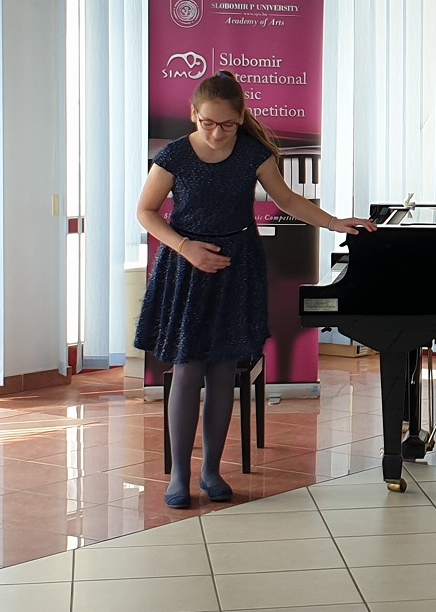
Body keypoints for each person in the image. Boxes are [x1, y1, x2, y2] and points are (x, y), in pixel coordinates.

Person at [134, 70, 376, 509]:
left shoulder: (252, 153)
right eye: (208, 123)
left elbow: (287, 200)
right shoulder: (174, 155)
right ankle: (179, 477)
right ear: (193, 114)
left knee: (223, 370)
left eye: (227, 124)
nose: (217, 133)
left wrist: (335, 222)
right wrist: (187, 248)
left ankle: (211, 471)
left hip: (237, 267)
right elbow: (146, 212)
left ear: (241, 117)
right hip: (187, 265)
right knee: (188, 369)